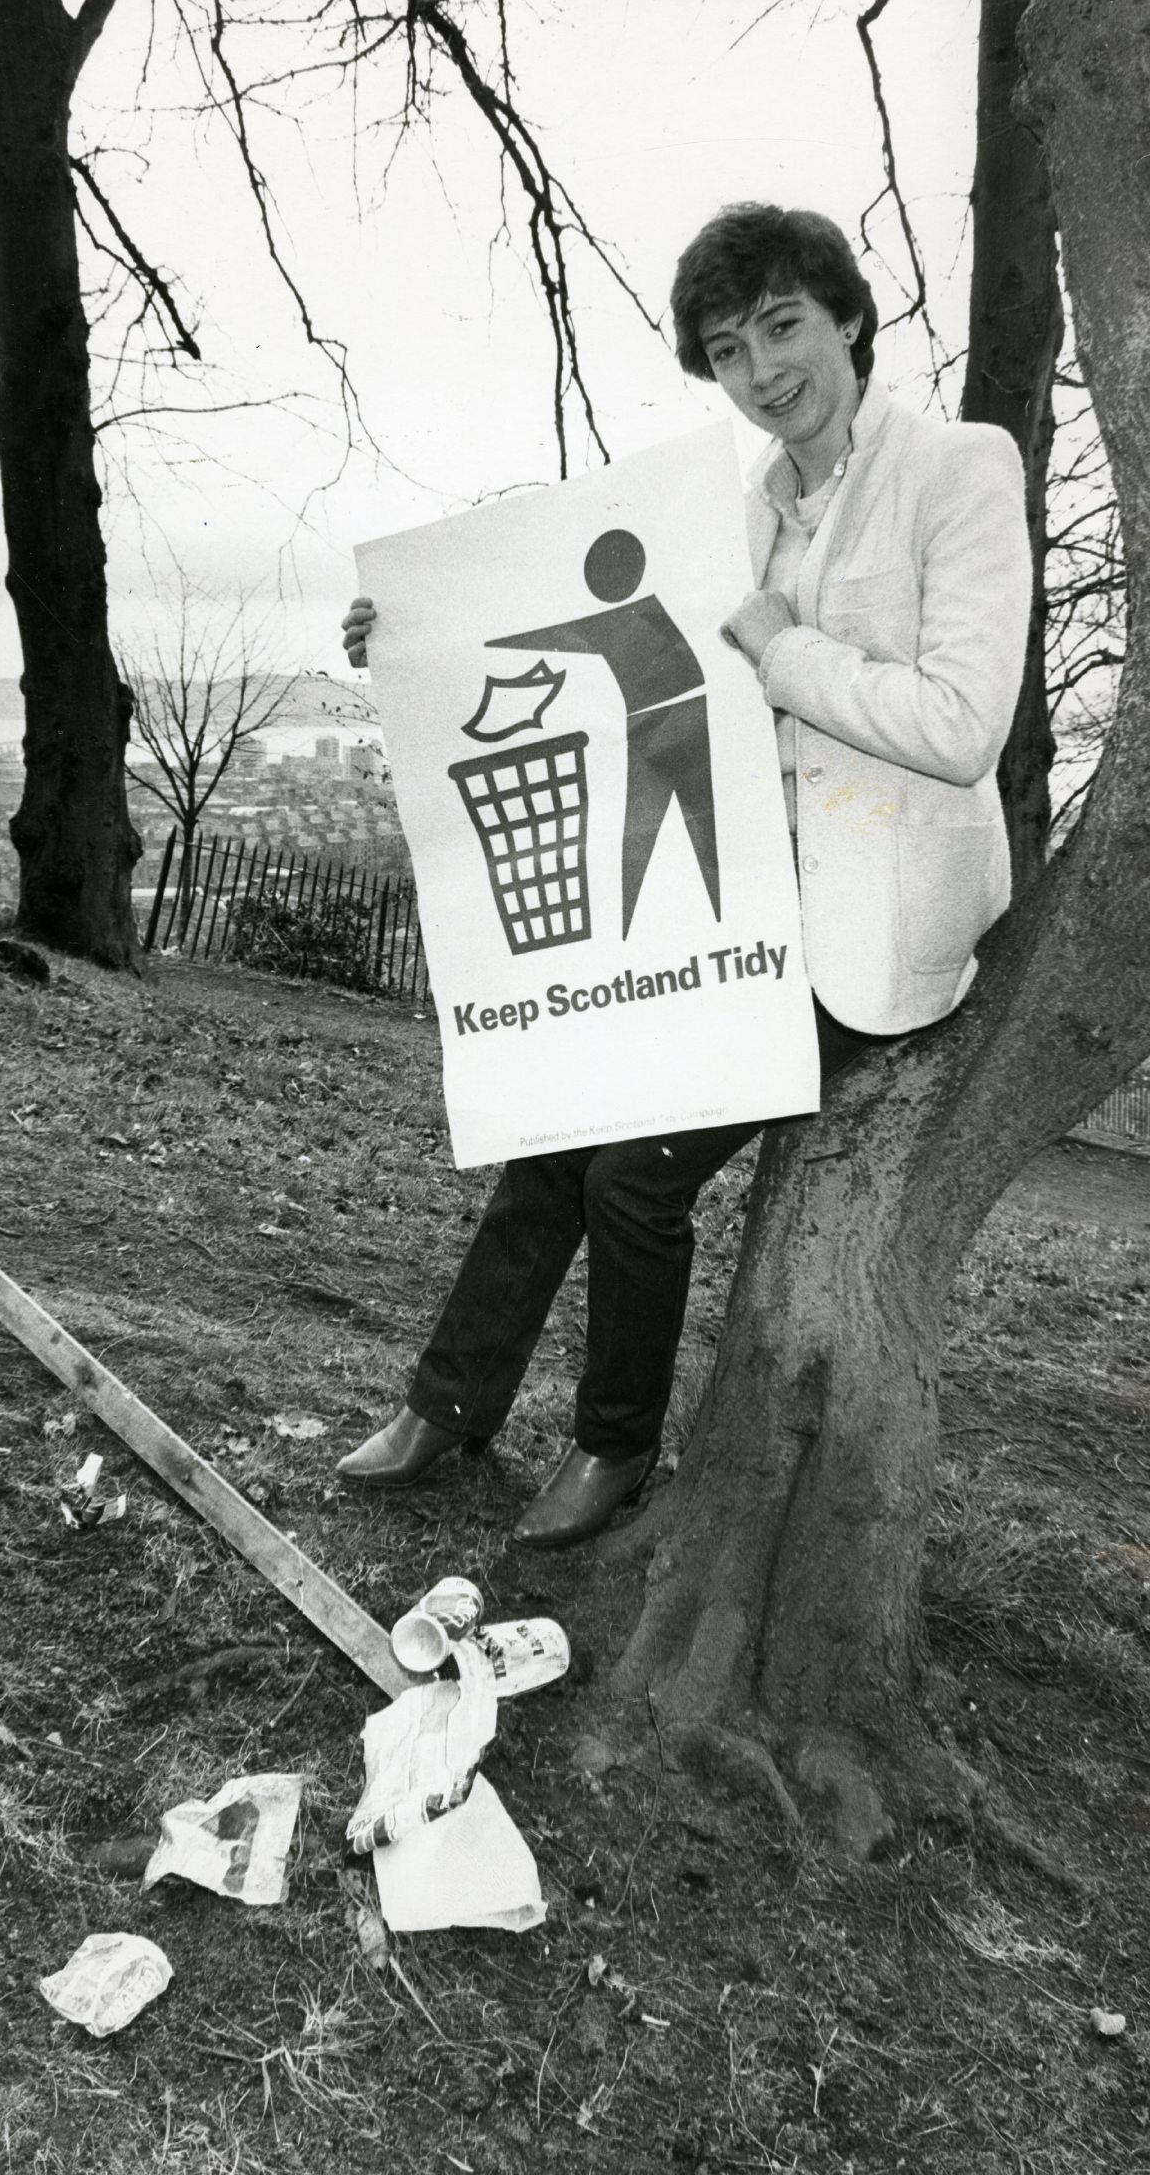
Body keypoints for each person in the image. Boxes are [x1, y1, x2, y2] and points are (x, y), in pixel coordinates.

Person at [336, 203, 1032, 1548]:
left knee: (635, 1172)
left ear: (845, 317)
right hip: (746, 909)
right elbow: (607, 648)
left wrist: (780, 646)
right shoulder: (736, 512)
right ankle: (452, 1400)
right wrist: (415, 637)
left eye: (781, 326)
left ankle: (614, 1451)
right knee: (555, 1129)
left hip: (876, 937)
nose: (764, 370)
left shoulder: (958, 468)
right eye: (728, 350)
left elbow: (960, 728)